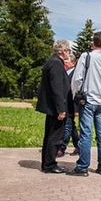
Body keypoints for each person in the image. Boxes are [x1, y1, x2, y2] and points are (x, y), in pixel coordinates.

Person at [68, 31, 101, 176]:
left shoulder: (86, 56)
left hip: (87, 100)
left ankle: (82, 166)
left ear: (93, 43)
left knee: (86, 133)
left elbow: (77, 78)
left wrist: (75, 94)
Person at [36, 39, 71, 174]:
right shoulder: (56, 64)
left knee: (50, 135)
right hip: (55, 108)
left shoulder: (52, 61)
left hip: (51, 107)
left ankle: (47, 163)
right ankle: (50, 164)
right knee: (55, 136)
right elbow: (57, 88)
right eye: (68, 50)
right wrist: (61, 109)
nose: (69, 53)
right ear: (62, 51)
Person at [57, 53, 79, 157]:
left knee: (67, 126)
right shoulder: (65, 72)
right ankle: (79, 146)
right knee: (71, 127)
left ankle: (61, 148)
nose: (64, 63)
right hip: (65, 103)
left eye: (67, 61)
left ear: (73, 63)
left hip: (71, 104)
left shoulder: (74, 73)